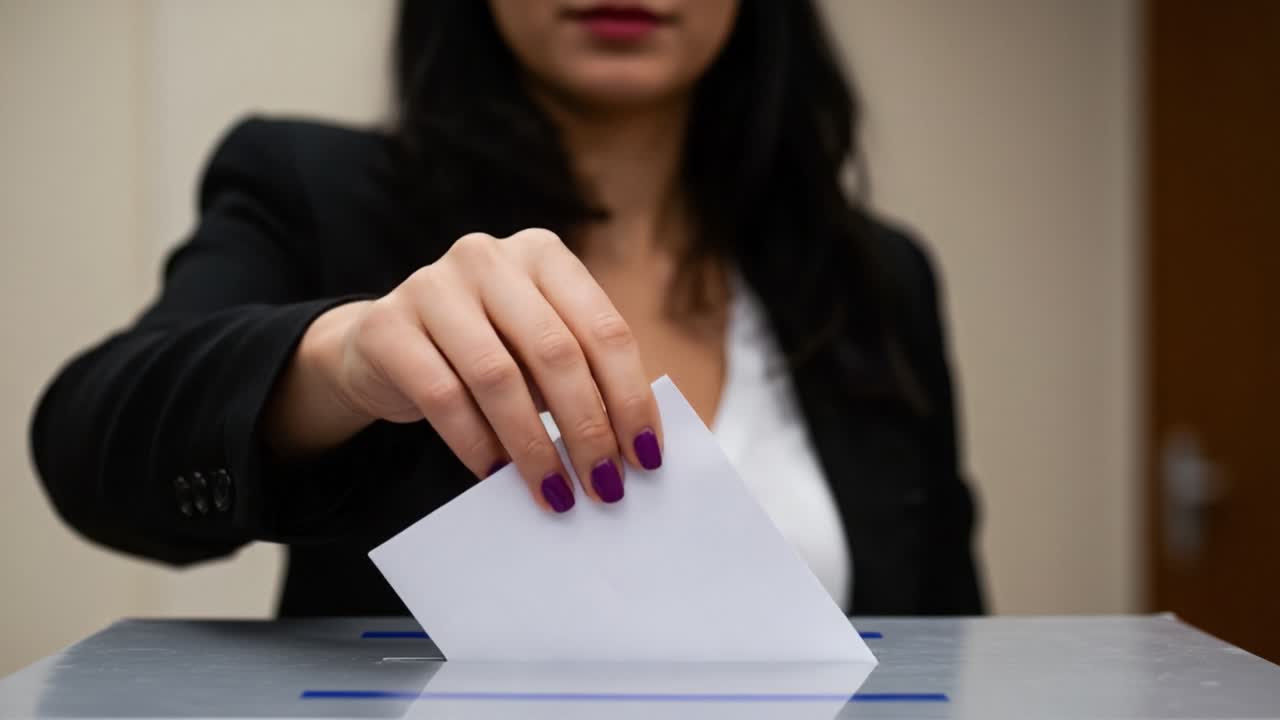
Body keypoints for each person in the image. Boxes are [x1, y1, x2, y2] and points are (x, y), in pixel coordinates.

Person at [30, 0, 983, 617]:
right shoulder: (315, 189)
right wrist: (342, 358)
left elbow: (951, 641)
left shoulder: (875, 279)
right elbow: (88, 449)